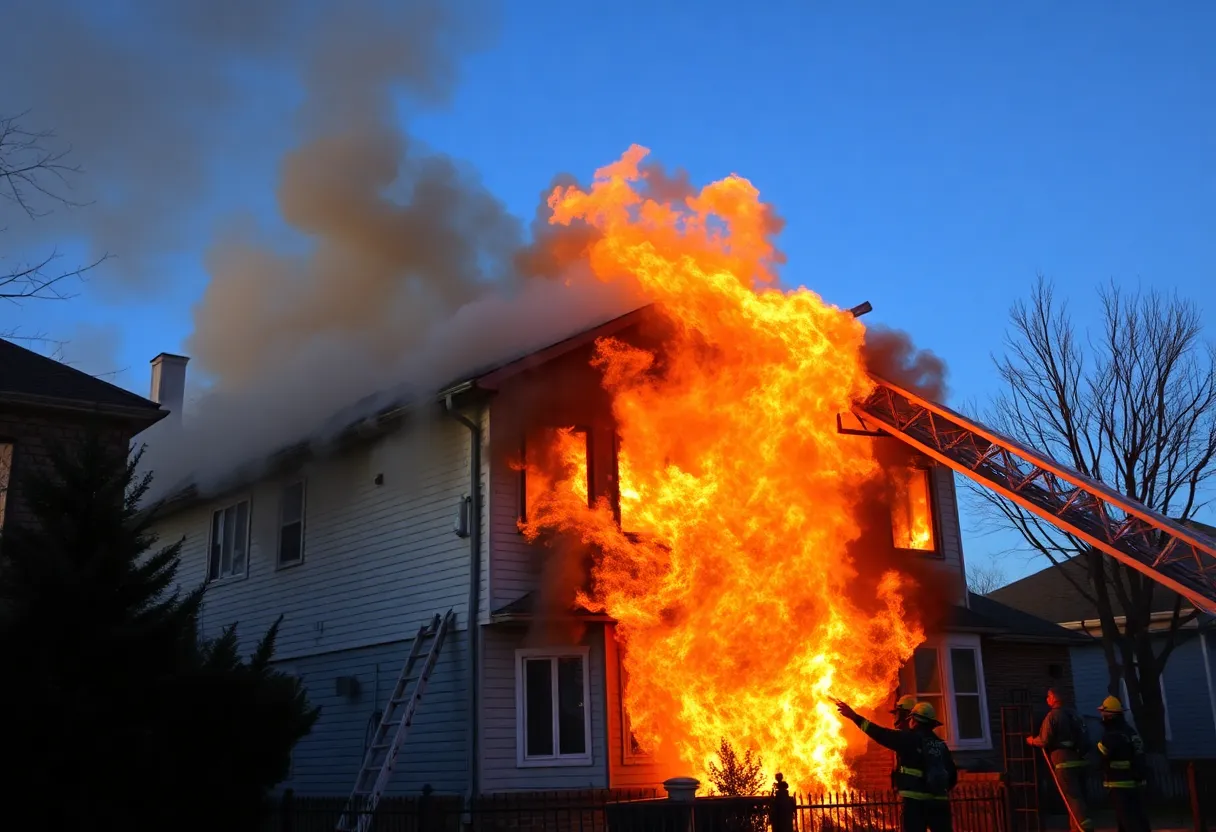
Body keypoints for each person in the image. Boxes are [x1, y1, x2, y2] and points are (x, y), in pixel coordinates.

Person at [836, 699, 957, 832]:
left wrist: (854, 717)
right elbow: (952, 776)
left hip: (914, 803)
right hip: (940, 803)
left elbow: (878, 733)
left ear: (914, 721)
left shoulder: (908, 739)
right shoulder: (941, 745)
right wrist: (935, 789)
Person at [1027, 688, 1093, 831]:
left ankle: (1082, 829)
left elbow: (1044, 740)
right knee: (1080, 797)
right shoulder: (1075, 714)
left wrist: (1032, 741)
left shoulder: (1053, 716)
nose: (1046, 700)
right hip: (1082, 762)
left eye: (1048, 697)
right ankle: (1077, 827)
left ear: (1052, 698)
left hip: (1064, 764)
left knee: (1072, 798)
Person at [1096, 696, 1151, 832]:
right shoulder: (1130, 732)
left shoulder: (1112, 735)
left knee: (1128, 821)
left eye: (1104, 712)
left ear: (1109, 715)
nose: (1102, 715)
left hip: (1119, 784)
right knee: (1136, 818)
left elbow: (1103, 755)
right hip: (1134, 783)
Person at [890, 695, 917, 790]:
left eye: (897, 714)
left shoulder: (908, 736)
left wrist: (857, 719)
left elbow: (879, 734)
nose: (895, 719)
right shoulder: (904, 734)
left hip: (912, 789)